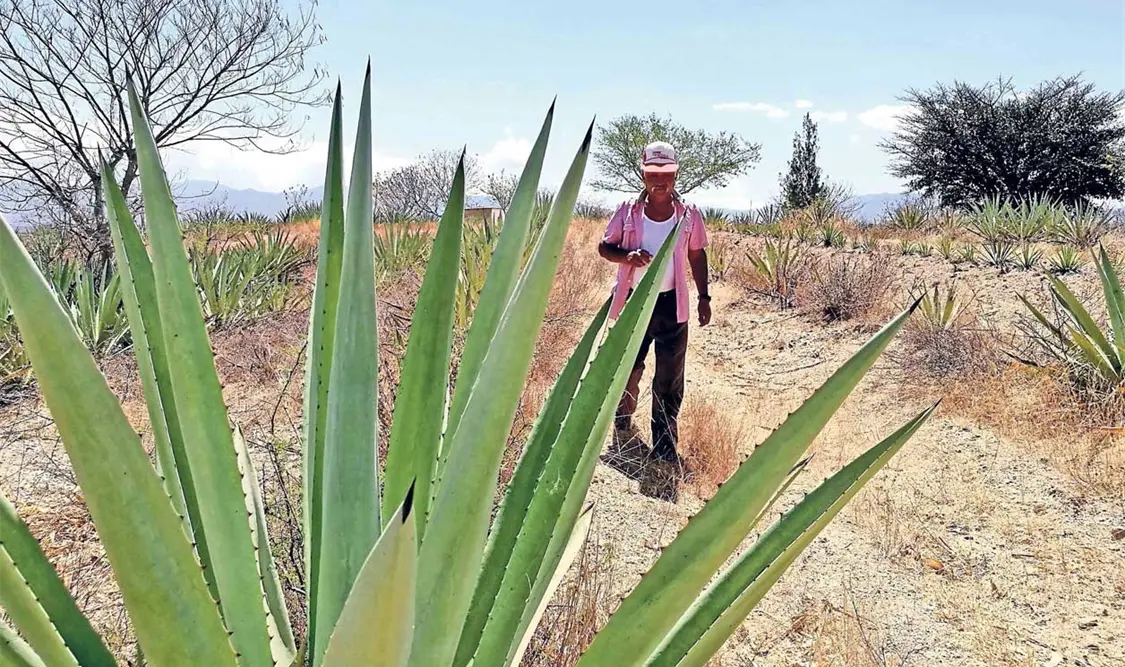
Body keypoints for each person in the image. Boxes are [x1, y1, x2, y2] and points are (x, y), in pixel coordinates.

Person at [598, 140, 710, 466]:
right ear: (643, 174)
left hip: (671, 306)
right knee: (628, 367)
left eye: (666, 173)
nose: (660, 180)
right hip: (635, 304)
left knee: (669, 377)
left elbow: (697, 255)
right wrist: (627, 256)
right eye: (652, 173)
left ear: (676, 175)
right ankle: (622, 418)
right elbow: (605, 248)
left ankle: (664, 444)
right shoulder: (627, 211)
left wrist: (704, 297)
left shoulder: (688, 215)